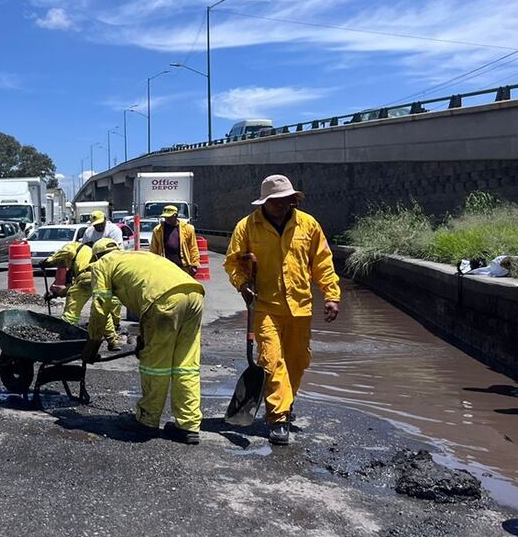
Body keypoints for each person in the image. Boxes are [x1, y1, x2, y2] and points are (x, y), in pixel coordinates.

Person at [224, 174, 341, 446]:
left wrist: (331, 296)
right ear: (265, 202)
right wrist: (242, 285)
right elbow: (232, 263)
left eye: (285, 199)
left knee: (297, 362)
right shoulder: (247, 227)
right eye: (274, 200)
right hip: (265, 307)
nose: (280, 205)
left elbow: (322, 262)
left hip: (300, 307)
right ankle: (278, 418)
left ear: (292, 199)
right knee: (272, 360)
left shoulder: (308, 225)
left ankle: (285, 401)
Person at [84, 240, 206, 444]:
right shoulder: (135, 256)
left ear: (96, 256)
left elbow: (101, 306)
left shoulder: (102, 264)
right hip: (194, 294)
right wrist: (143, 337)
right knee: (186, 365)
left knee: (155, 365)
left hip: (163, 301)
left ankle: (147, 420)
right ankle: (188, 426)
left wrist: (92, 343)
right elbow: (144, 291)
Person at [43, 242, 122, 350]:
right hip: (97, 278)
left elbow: (68, 252)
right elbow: (72, 288)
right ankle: (113, 341)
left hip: (86, 277)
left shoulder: (71, 246)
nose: (63, 266)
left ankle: (64, 337)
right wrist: (55, 294)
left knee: (71, 313)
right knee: (102, 310)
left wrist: (49, 261)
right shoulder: (81, 258)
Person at [150, 205, 200, 276]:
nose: (167, 219)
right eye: (165, 217)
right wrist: (153, 265)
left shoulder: (188, 229)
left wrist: (194, 264)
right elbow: (153, 249)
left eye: (169, 217)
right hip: (165, 267)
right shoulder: (158, 230)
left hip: (182, 267)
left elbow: (193, 247)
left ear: (176, 215)